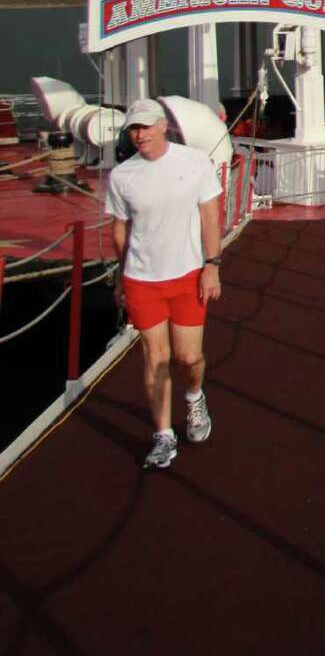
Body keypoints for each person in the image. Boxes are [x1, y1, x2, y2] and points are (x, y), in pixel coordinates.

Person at [105, 97, 224, 470]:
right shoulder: (122, 176)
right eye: (133, 129)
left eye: (145, 126)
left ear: (162, 126)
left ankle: (194, 396)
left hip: (187, 275)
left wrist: (212, 265)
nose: (140, 134)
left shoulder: (194, 162)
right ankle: (163, 435)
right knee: (156, 358)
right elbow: (120, 230)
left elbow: (210, 215)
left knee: (189, 358)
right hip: (142, 280)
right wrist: (121, 278)